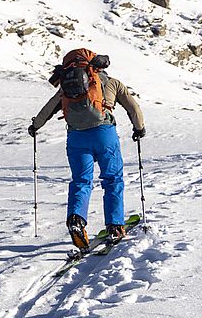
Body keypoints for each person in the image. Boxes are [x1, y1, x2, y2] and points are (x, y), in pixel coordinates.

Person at [28, 48, 145, 248]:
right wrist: (139, 128)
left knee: (81, 181)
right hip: (104, 134)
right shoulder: (112, 83)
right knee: (112, 179)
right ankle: (115, 226)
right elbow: (133, 107)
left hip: (76, 137)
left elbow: (49, 107)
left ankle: (76, 219)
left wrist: (35, 126)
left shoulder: (67, 87)